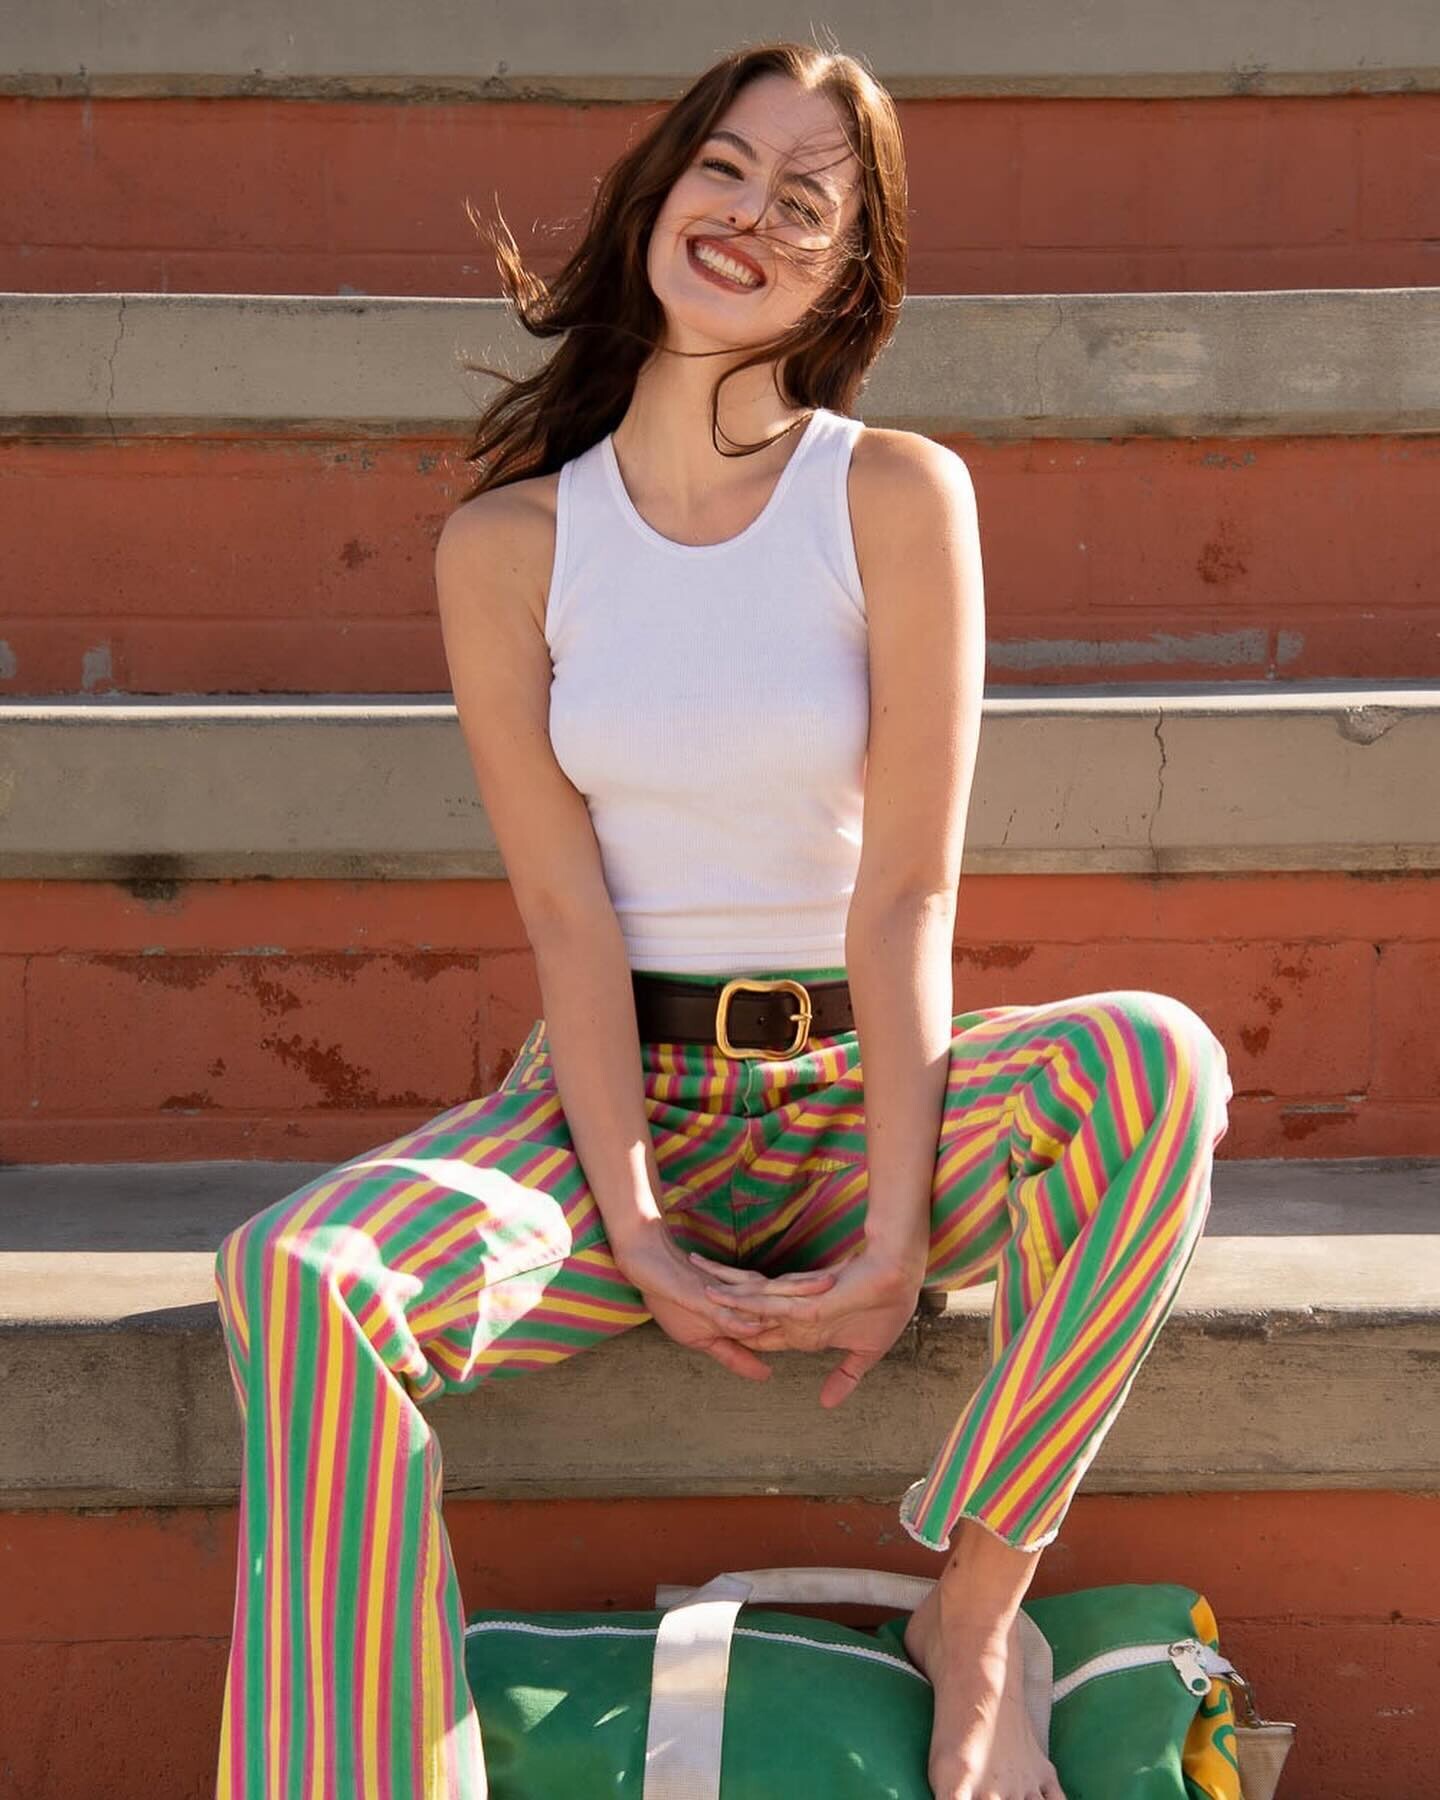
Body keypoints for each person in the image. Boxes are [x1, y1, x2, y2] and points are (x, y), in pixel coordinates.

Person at [212, 38, 1233, 1800]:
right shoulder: (508, 547)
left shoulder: (893, 494)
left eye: (806, 201)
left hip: (860, 1102)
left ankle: (976, 1607)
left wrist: (896, 1232)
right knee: (295, 1284)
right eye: (726, 169)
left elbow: (908, 891)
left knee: (1158, 1064)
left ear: (850, 270)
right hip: (615, 1118)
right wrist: (638, 1228)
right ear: (660, 189)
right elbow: (564, 913)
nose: (750, 215)